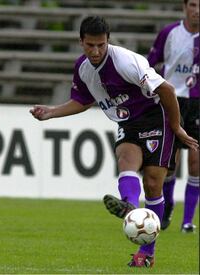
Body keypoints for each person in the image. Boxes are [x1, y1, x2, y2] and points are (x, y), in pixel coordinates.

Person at [30, 16, 198, 268]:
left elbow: (167, 90)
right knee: (126, 160)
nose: (96, 51)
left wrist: (176, 127)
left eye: (101, 45)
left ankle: (147, 252)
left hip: (155, 117)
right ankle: (130, 206)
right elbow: (83, 100)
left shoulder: (126, 61)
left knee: (153, 183)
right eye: (90, 45)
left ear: (108, 41)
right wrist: (51, 112)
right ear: (81, 42)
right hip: (128, 122)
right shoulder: (83, 68)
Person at [147, 0, 199, 233]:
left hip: (199, 103)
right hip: (173, 100)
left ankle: (187, 221)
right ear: (185, 7)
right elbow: (149, 64)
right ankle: (167, 206)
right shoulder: (169, 33)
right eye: (194, 5)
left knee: (196, 163)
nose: (197, 11)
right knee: (169, 164)